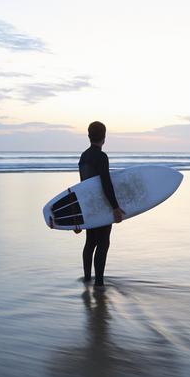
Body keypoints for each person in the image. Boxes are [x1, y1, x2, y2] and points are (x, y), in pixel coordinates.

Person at [77, 121, 124, 287]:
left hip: (89, 205)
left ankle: (87, 278)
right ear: (104, 137)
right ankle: (99, 283)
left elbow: (83, 187)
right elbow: (106, 183)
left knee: (90, 241)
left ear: (89, 136)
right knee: (103, 242)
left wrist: (79, 215)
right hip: (102, 206)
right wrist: (115, 207)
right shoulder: (101, 157)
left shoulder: (83, 156)